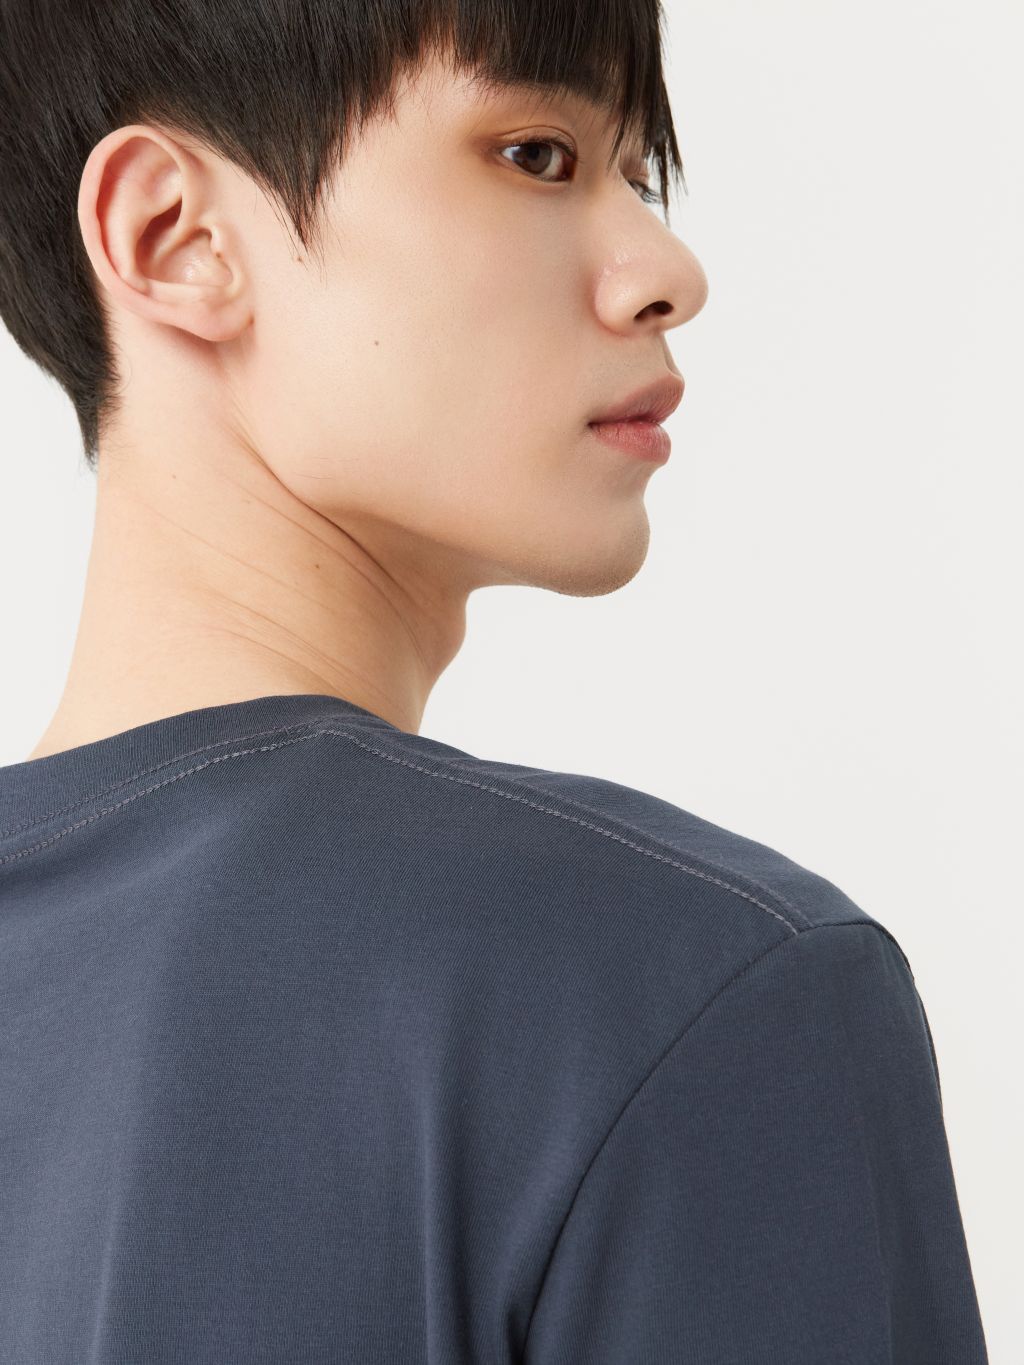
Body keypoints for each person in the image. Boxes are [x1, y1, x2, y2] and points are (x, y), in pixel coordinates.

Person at [0, 2, 989, 1361]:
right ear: (177, 235)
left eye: (637, 173)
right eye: (536, 155)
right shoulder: (693, 993)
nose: (668, 272)